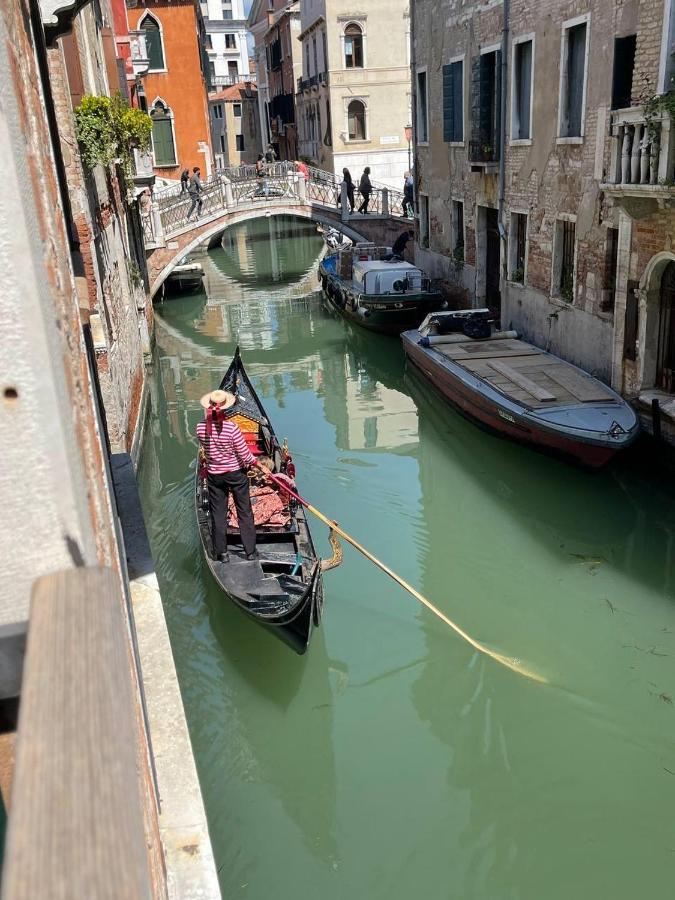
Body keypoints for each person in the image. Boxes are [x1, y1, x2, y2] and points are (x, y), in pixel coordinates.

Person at [196, 389, 258, 563]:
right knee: (244, 511)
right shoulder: (232, 428)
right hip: (236, 474)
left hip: (214, 476)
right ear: (226, 408)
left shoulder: (200, 427)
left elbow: (207, 450)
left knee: (218, 513)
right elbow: (245, 456)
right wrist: (258, 464)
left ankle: (222, 553)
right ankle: (250, 552)